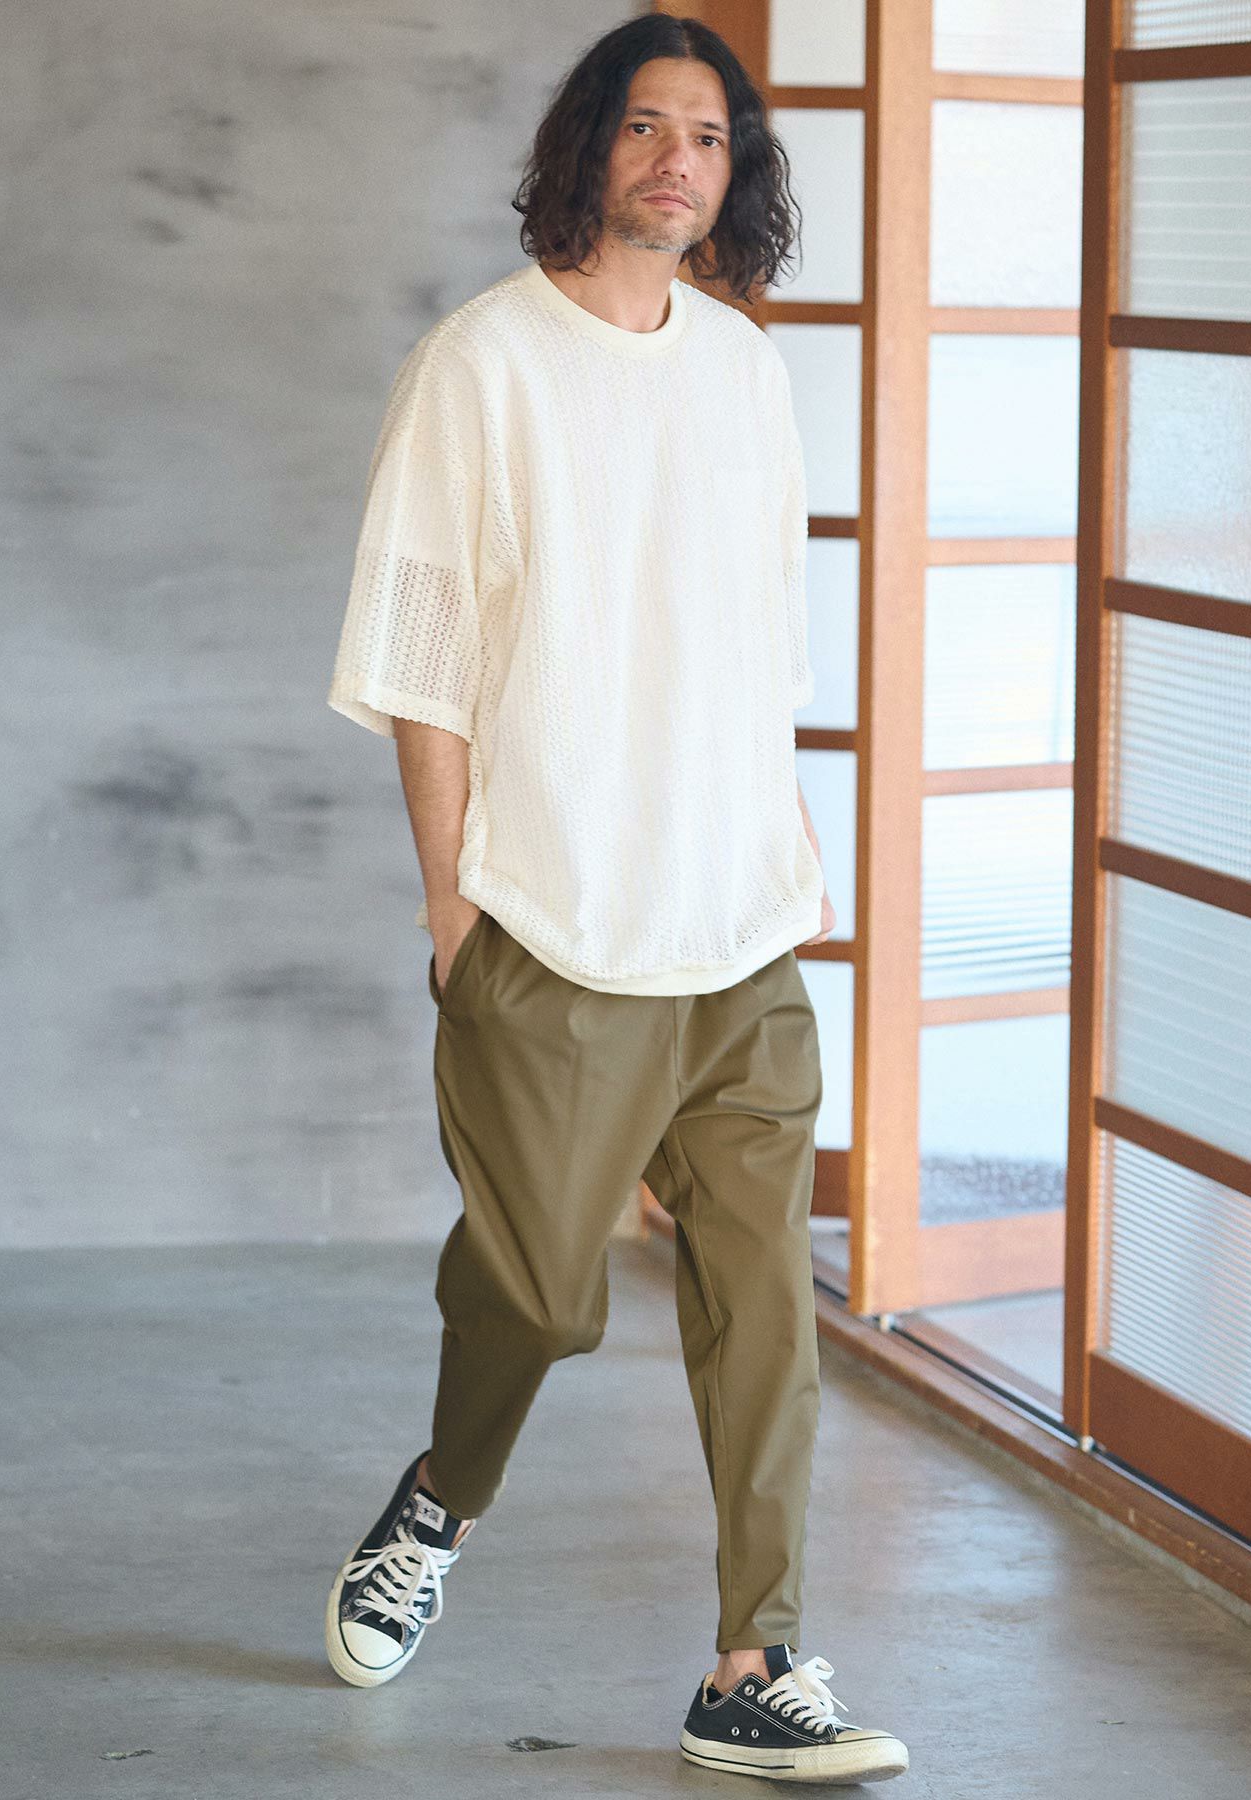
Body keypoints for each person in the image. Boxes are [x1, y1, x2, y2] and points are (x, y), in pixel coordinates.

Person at [322, 12, 909, 1786]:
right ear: (590, 147)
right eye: (648, 128)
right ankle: (443, 1500)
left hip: (738, 925)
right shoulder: (480, 366)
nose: (679, 163)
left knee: (765, 1308)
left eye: (711, 139)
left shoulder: (743, 370)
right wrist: (453, 908)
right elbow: (424, 660)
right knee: (540, 1295)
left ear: (740, 172)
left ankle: (754, 1661)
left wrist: (783, 839)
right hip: (555, 918)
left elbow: (756, 635)